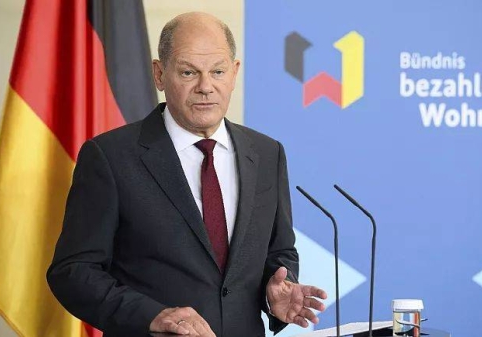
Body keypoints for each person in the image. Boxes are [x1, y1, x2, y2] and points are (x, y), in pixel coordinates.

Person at [47, 12, 326, 337]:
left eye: (218, 71)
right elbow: (73, 272)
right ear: (159, 74)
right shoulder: (110, 156)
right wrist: (154, 316)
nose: (206, 87)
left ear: (234, 73)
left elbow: (280, 251)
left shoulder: (267, 153)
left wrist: (273, 292)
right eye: (188, 72)